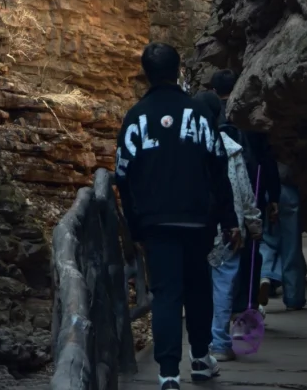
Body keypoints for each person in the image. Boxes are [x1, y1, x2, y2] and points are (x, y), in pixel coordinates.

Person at [116, 44, 238, 387]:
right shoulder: (199, 114)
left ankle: (168, 373)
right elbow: (219, 169)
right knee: (198, 287)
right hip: (198, 218)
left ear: (146, 73)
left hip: (155, 221)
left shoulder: (135, 117)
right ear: (177, 70)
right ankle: (200, 358)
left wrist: (133, 223)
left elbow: (123, 175)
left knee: (166, 293)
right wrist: (228, 218)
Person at [195, 92, 262, 361]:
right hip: (228, 229)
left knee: (199, 288)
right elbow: (244, 191)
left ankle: (200, 344)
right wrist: (254, 223)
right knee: (223, 287)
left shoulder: (187, 145)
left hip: (196, 228)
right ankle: (220, 343)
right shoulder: (230, 148)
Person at [208, 71, 281, 316]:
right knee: (251, 247)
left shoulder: (209, 116)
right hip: (252, 186)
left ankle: (219, 306)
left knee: (217, 251)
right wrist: (274, 195)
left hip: (216, 194)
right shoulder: (247, 116)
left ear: (214, 90)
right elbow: (267, 158)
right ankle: (246, 302)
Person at [259, 164, 307, 310]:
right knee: (292, 247)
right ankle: (294, 297)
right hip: (290, 190)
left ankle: (264, 275)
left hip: (265, 190)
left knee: (267, 240)